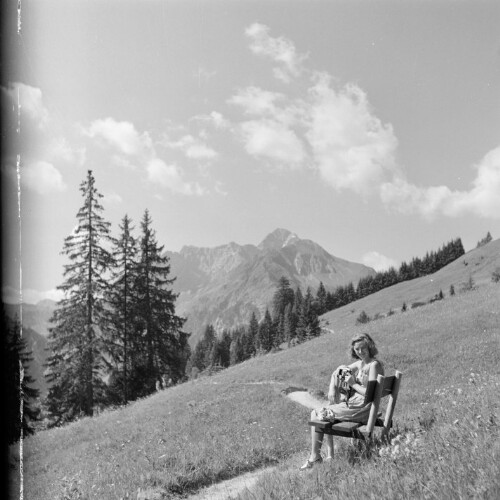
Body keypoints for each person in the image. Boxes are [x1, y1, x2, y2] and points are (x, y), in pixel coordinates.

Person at [300, 333, 384, 470]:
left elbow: (371, 394)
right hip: (354, 407)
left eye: (363, 348)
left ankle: (316, 457)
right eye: (357, 349)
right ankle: (316, 457)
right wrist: (332, 387)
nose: (360, 352)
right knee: (316, 414)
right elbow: (338, 371)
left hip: (362, 410)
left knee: (316, 414)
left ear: (370, 346)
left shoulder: (374, 365)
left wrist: (352, 384)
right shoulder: (360, 363)